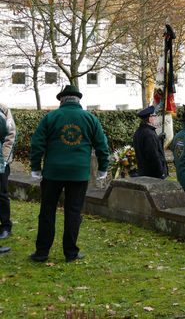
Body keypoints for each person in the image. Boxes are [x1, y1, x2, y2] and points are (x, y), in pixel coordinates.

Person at [29, 85, 110, 262]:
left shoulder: (50, 117)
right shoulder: (90, 118)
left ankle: (42, 252)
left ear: (61, 100)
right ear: (78, 100)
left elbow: (37, 144)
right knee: (73, 213)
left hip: (53, 173)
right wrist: (102, 169)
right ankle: (70, 253)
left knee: (47, 211)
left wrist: (36, 167)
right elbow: (102, 147)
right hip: (79, 174)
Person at [133, 105, 168, 179]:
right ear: (149, 118)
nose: (155, 118)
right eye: (154, 116)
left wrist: (158, 139)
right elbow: (153, 155)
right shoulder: (149, 134)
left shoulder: (138, 132)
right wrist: (160, 173)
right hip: (153, 174)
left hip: (143, 172)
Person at [0, 103, 17, 254]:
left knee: (2, 194)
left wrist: (3, 159)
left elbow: (10, 135)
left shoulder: (3, 109)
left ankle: (5, 226)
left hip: (1, 161)